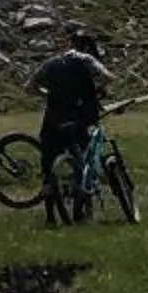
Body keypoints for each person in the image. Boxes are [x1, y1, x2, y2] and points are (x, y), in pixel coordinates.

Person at [30, 27, 116, 220]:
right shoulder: (86, 60)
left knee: (49, 165)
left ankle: (50, 216)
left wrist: (49, 94)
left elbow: (30, 87)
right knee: (83, 161)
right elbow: (108, 78)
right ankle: (82, 209)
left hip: (52, 120)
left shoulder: (50, 63)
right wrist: (97, 91)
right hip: (78, 118)